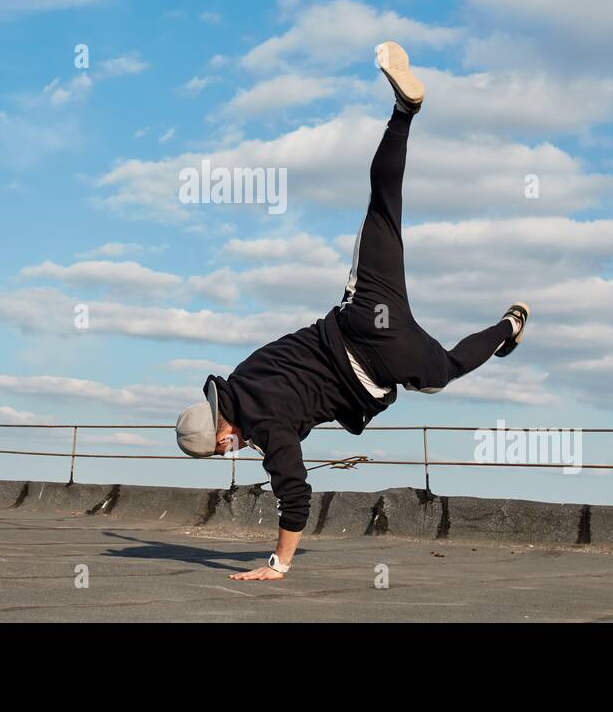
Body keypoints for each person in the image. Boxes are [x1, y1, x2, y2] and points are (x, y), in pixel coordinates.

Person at [174, 41, 530, 581]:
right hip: (368, 311)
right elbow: (300, 363)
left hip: (389, 358)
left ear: (224, 437)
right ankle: (403, 114)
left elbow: (294, 493)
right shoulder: (246, 372)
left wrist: (278, 562)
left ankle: (509, 326)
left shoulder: (269, 430)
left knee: (446, 372)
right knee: (382, 206)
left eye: (224, 449)